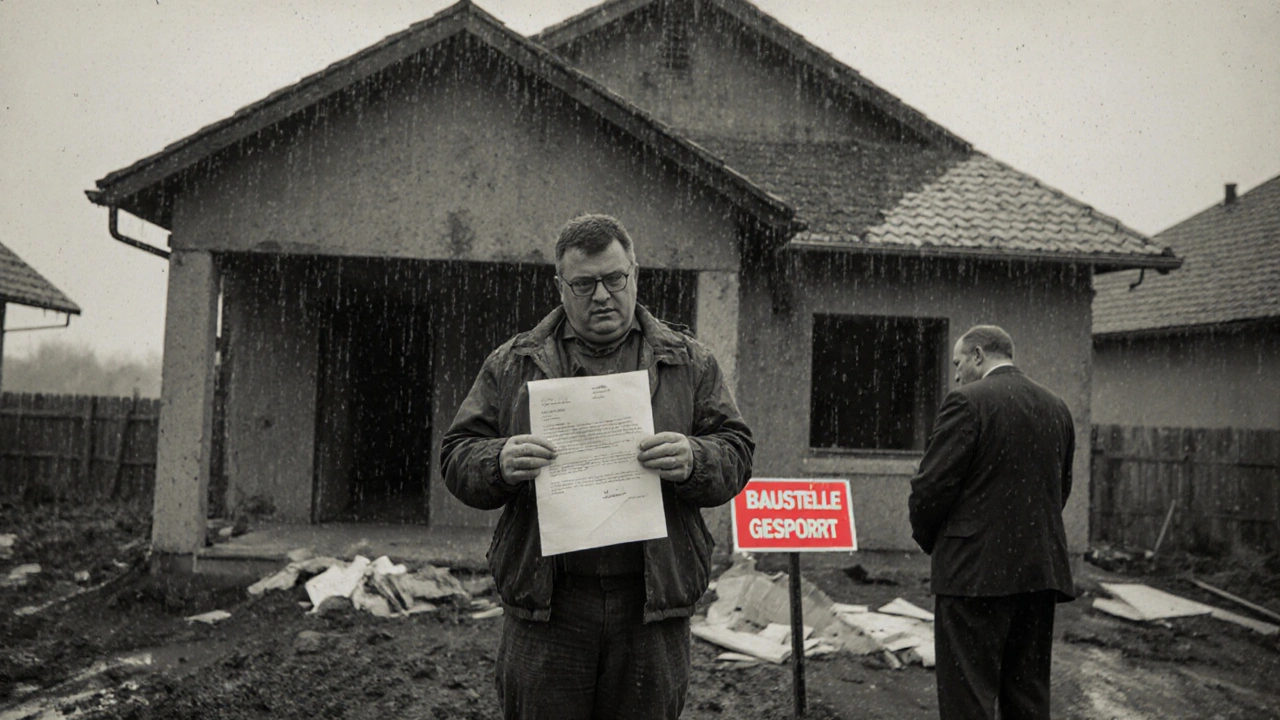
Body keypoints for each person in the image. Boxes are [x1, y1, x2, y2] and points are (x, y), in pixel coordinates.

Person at [441, 214, 753, 720]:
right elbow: (456, 457)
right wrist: (497, 460)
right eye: (584, 284)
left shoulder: (688, 361)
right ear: (560, 287)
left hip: (651, 605)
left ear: (635, 273)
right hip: (549, 607)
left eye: (614, 279)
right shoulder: (513, 363)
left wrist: (696, 458)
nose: (602, 296)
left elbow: (737, 453)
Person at [908, 325, 1076, 720]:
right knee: (1028, 696)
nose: (955, 374)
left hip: (973, 576)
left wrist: (939, 541)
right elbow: (1060, 490)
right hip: (1039, 573)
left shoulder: (966, 402)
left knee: (968, 697)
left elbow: (930, 487)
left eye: (958, 362)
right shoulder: (1057, 407)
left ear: (979, 356)